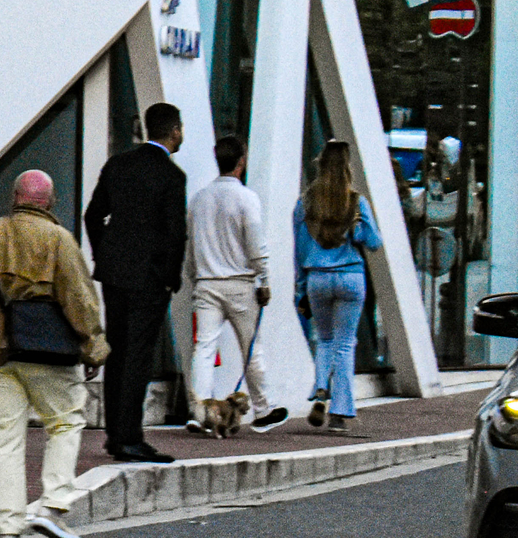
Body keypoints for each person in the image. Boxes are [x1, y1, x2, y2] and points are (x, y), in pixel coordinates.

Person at [0, 170, 109, 538]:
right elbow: (80, 300)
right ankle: (52, 507)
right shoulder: (58, 239)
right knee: (66, 421)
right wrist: (94, 347)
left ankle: (7, 528)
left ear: (14, 197)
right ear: (48, 202)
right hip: (48, 352)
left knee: (6, 435)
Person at [83, 102, 188, 464]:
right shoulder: (172, 177)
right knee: (138, 358)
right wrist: (169, 278)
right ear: (174, 131)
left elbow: (93, 215)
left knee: (118, 351)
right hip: (150, 278)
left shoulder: (118, 165)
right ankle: (129, 437)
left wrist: (105, 255)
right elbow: (176, 234)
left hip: (115, 274)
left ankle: (116, 434)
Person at [182, 132, 289, 434]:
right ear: (241, 163)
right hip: (240, 284)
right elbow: (256, 245)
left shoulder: (199, 199)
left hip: (207, 283)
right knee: (251, 348)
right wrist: (264, 280)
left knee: (203, 348)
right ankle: (263, 408)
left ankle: (200, 411)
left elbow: (191, 248)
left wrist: (195, 277)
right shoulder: (246, 198)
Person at [294, 140, 384, 432]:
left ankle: (321, 389)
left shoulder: (305, 202)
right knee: (345, 344)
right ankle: (339, 413)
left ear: (319, 165)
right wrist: (358, 228)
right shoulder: (356, 202)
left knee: (324, 339)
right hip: (350, 277)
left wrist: (301, 288)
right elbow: (374, 243)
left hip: (317, 277)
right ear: (347, 167)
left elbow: (300, 250)